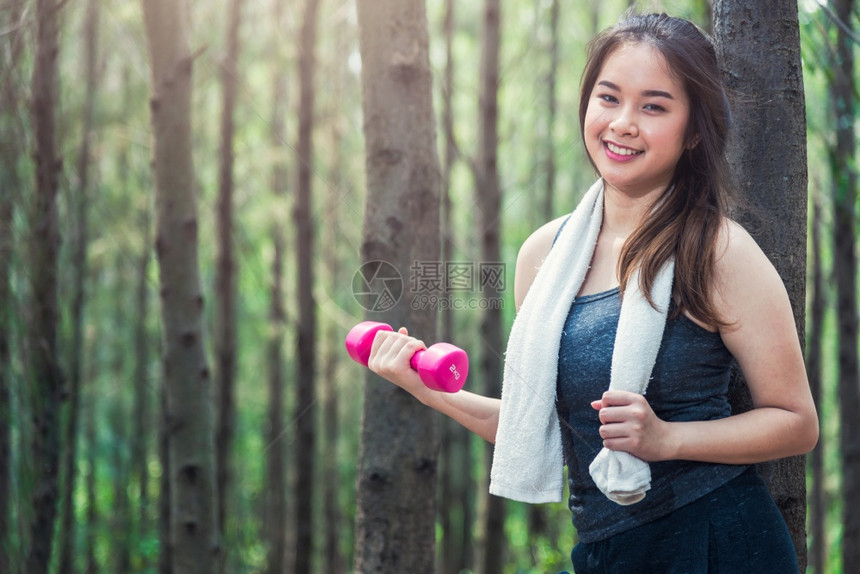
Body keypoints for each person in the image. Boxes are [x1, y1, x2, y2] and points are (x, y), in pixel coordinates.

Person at [365, 12, 818, 573]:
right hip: (605, 550)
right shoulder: (545, 255)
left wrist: (665, 438)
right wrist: (425, 388)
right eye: (609, 98)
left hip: (714, 540)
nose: (623, 123)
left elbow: (796, 423)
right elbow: (541, 421)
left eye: (654, 107)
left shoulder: (718, 250)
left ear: (694, 130)